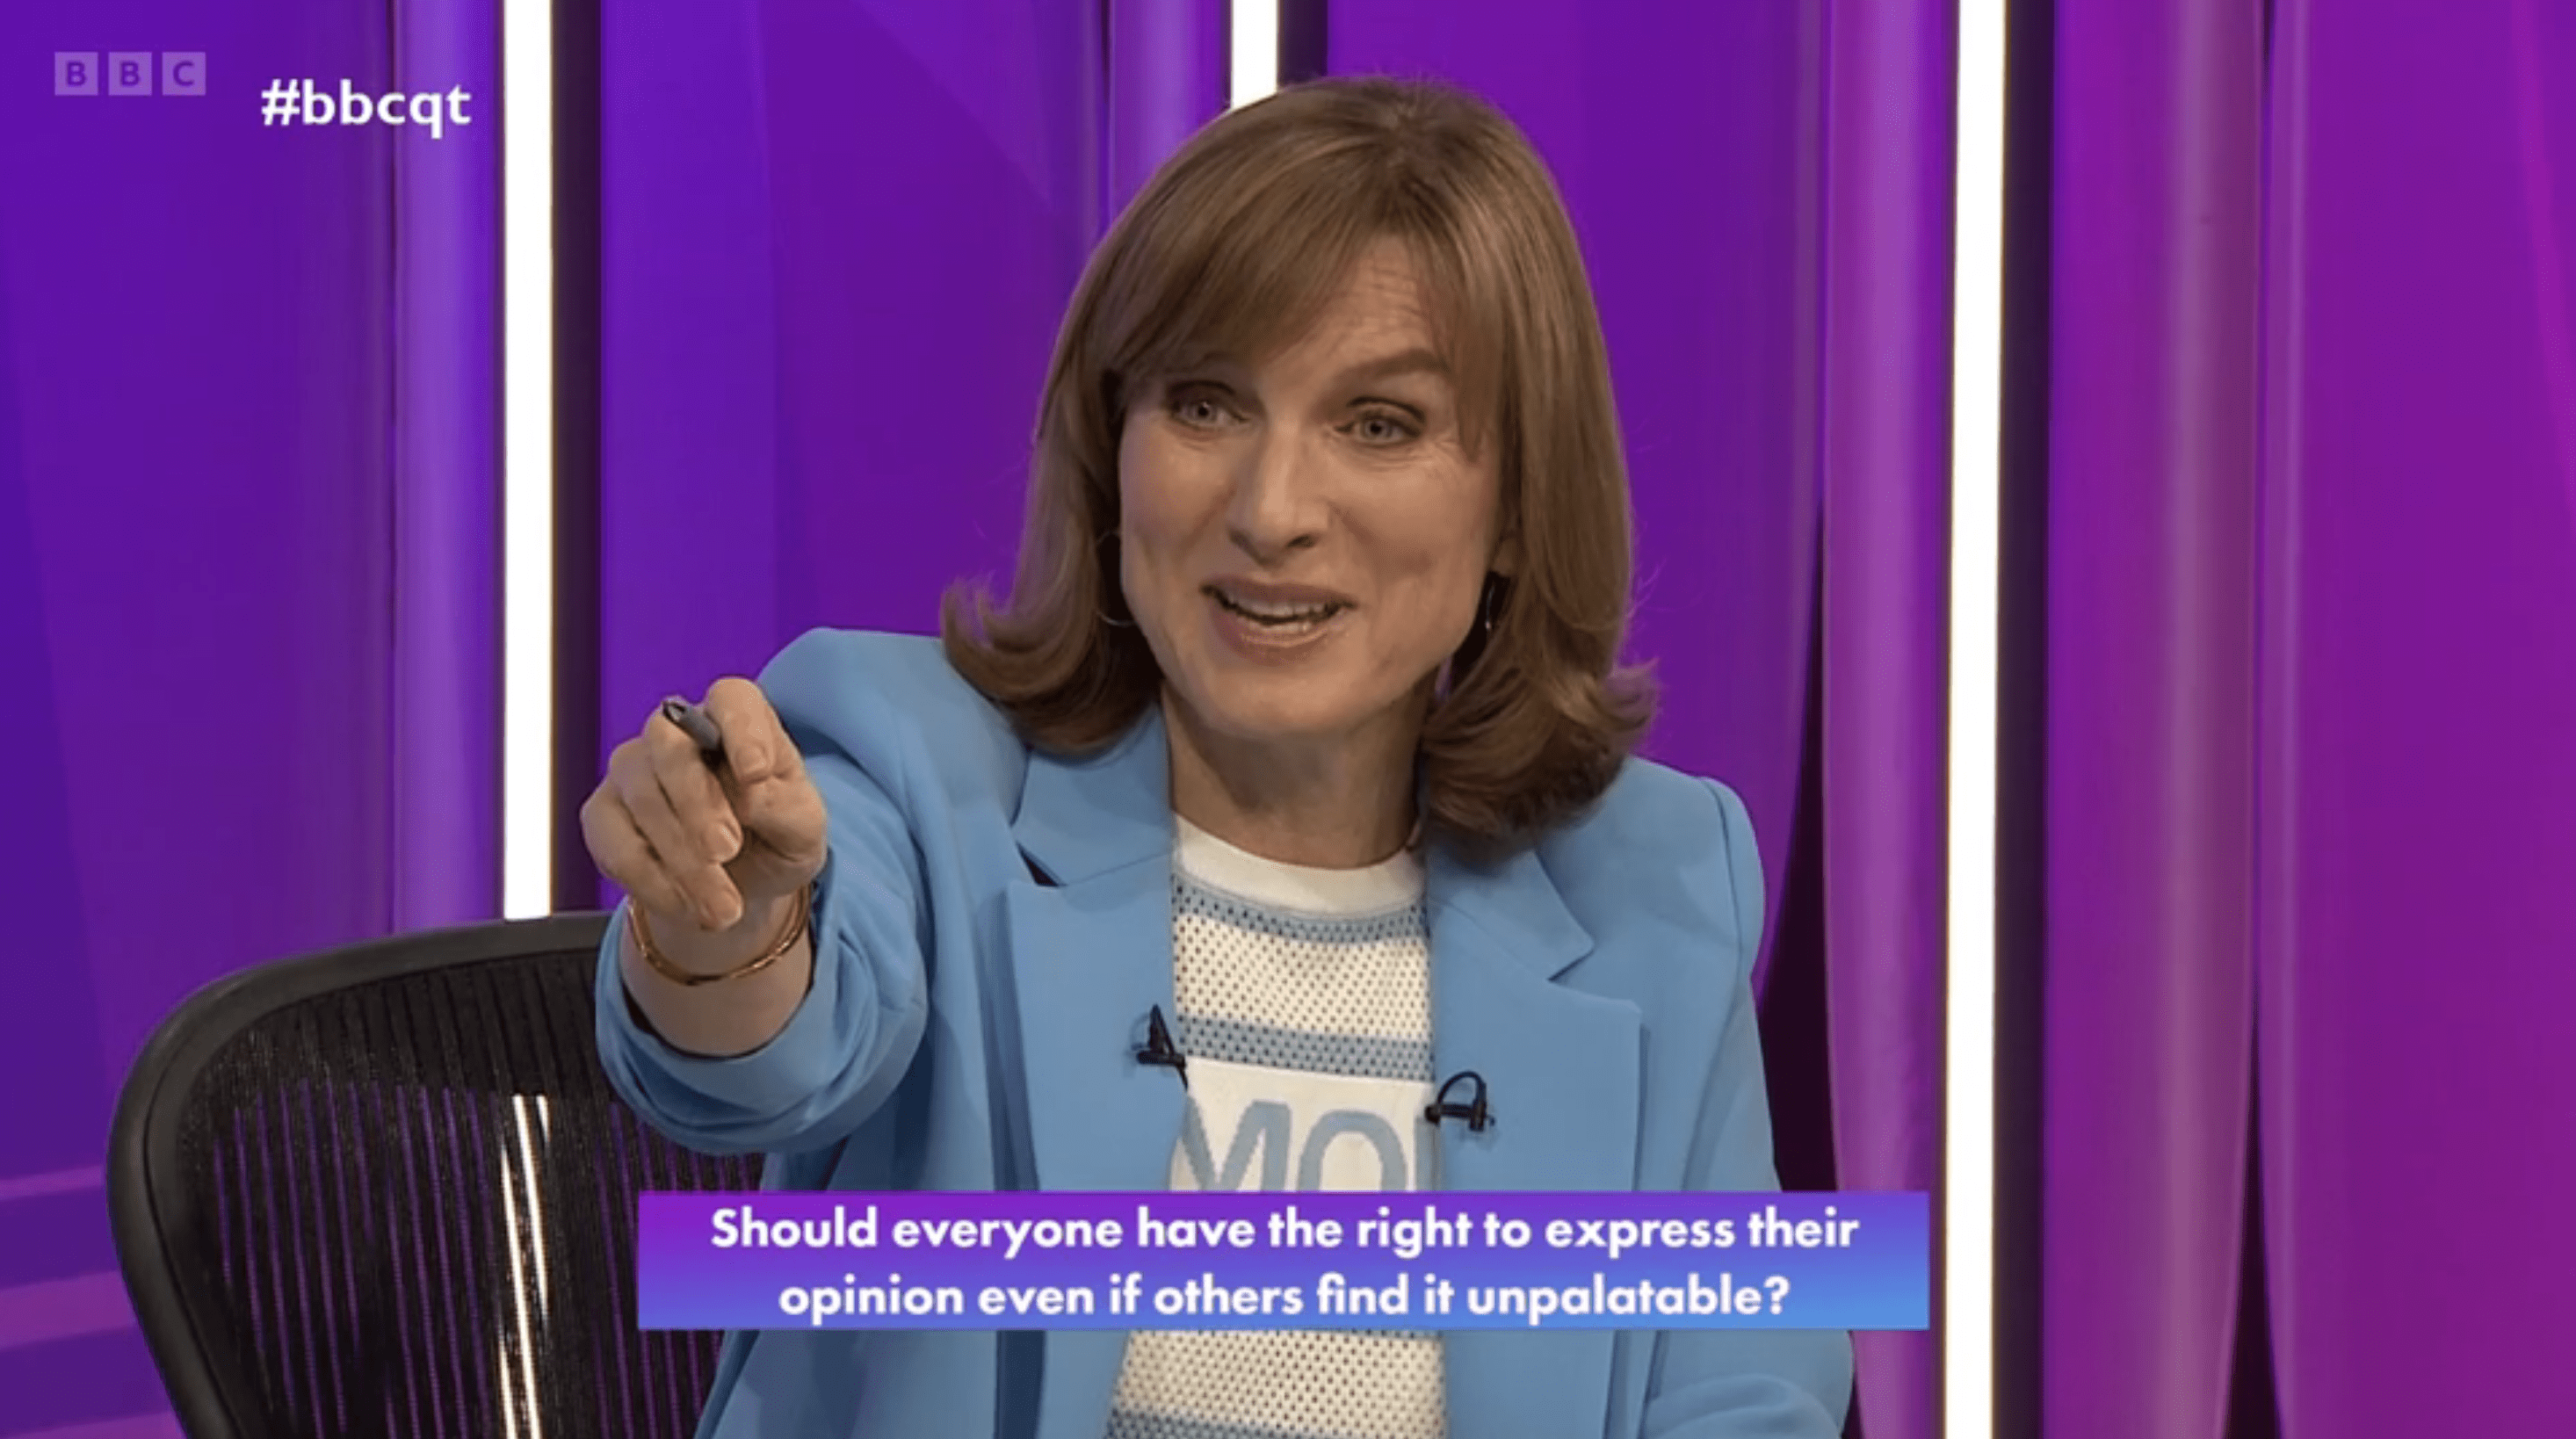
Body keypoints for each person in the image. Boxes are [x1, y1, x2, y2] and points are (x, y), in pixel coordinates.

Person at [588, 76, 1855, 1439]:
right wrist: (726, 924)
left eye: (1379, 424)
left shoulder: (1653, 885)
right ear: (1111, 448)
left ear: (1512, 508)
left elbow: (1746, 1384)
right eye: (1204, 405)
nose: (1271, 510)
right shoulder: (915, 761)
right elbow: (768, 1059)